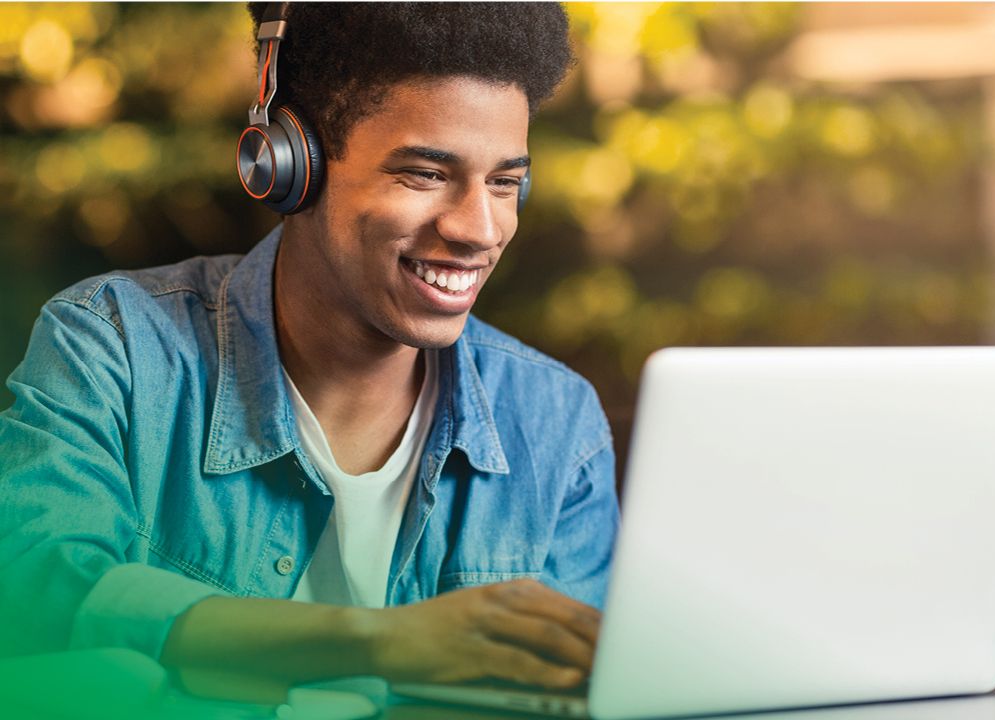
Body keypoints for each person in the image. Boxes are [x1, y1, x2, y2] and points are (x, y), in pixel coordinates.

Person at [0, 2, 619, 702]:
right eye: (423, 174)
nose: (480, 228)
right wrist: (379, 644)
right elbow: (34, 599)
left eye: (505, 182)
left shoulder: (557, 425)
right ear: (287, 165)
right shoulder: (114, 349)